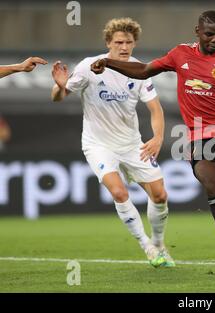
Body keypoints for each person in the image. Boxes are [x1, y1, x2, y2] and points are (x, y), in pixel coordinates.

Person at [90, 10, 215, 277]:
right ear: (197, 31)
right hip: (200, 139)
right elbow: (143, 70)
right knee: (212, 187)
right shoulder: (180, 54)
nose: (214, 39)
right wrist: (108, 62)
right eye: (209, 34)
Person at [51, 17, 175, 267]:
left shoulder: (141, 70)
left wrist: (158, 137)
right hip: (99, 145)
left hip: (131, 144)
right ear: (109, 42)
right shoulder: (89, 66)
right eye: (119, 41)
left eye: (129, 42)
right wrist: (59, 86)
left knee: (160, 195)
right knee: (119, 192)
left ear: (134, 44)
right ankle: (147, 247)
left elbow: (155, 109)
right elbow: (58, 96)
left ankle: (159, 243)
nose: (124, 47)